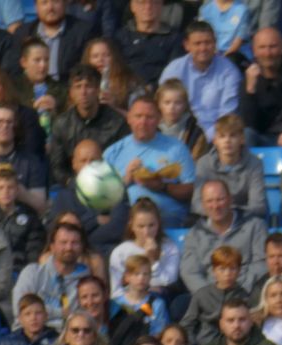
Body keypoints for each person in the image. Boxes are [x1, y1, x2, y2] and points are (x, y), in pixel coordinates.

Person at [103, 96, 196, 229]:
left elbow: (191, 190)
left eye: (149, 117)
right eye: (138, 116)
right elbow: (102, 197)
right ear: (129, 118)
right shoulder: (113, 152)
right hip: (124, 227)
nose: (143, 122)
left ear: (158, 120)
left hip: (168, 224)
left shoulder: (176, 148)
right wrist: (126, 180)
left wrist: (162, 186)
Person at [161, 21, 243, 140]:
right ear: (186, 45)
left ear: (215, 43)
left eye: (208, 43)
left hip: (218, 137)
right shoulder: (173, 70)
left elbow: (228, 114)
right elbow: (165, 108)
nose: (203, 48)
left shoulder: (229, 72)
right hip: (180, 133)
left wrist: (207, 136)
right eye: (197, 43)